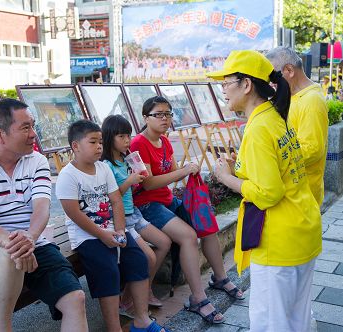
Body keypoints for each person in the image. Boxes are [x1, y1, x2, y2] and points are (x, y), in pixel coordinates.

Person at [208, 50, 322, 332]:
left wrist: (225, 177)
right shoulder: (275, 116)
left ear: (246, 85)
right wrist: (240, 168)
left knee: (271, 322)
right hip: (301, 228)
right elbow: (277, 168)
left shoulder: (258, 127)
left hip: (279, 240)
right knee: (297, 318)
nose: (222, 90)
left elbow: (269, 193)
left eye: (226, 82)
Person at [0, 99, 88, 331]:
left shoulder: (36, 161)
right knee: (9, 253)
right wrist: (13, 242)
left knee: (75, 298)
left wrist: (29, 238)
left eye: (33, 126)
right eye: (25, 127)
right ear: (0, 134)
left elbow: (42, 208)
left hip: (33, 240)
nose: (33, 134)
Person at [130, 96, 245, 325]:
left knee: (207, 224)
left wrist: (187, 173)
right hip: (146, 205)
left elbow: (171, 175)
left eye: (168, 114)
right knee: (189, 237)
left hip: (167, 200)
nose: (165, 119)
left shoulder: (165, 142)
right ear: (145, 118)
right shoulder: (138, 144)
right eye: (158, 114)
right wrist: (184, 171)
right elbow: (148, 183)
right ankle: (198, 297)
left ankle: (220, 278)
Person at [56, 120, 168, 332]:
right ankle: (114, 328)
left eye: (100, 141)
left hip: (113, 229)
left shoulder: (102, 168)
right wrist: (103, 234)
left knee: (139, 258)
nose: (99, 146)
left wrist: (119, 230)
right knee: (107, 269)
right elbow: (73, 213)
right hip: (87, 235)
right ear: (75, 146)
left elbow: (116, 200)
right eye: (93, 142)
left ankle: (141, 320)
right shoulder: (67, 175)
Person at [101, 114, 172, 316]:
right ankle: (129, 299)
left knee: (164, 242)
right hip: (121, 219)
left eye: (128, 136)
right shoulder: (106, 165)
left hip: (135, 213)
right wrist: (130, 181)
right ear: (109, 137)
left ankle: (138, 292)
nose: (127, 141)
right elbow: (110, 198)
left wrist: (138, 179)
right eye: (122, 136)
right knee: (148, 257)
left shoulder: (126, 159)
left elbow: (132, 191)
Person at [266, 46, 329, 207]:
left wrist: (272, 158)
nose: (271, 83)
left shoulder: (312, 100)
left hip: (303, 195)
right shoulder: (292, 96)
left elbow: (312, 149)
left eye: (273, 76)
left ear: (289, 70)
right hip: (290, 191)